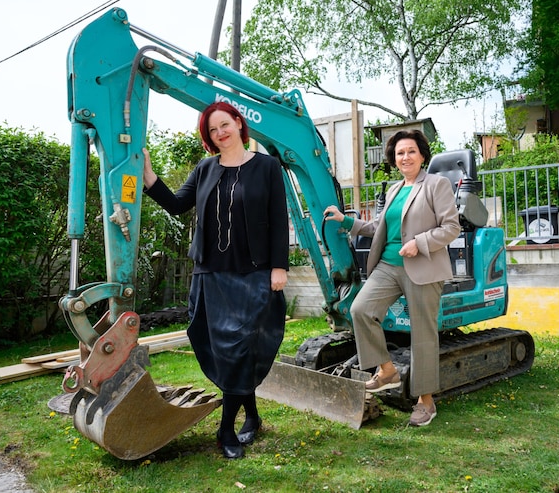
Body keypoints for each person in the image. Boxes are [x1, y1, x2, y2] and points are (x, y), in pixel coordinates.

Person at [142, 101, 289, 459]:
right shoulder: (205, 169)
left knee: (239, 347)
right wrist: (149, 177)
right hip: (210, 273)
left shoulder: (267, 167)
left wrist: (279, 267)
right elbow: (178, 205)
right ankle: (251, 414)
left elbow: (278, 217)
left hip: (253, 273)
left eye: (224, 124)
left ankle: (225, 430)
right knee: (220, 348)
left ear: (239, 124)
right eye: (212, 130)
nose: (220, 132)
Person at [323, 129, 460, 427]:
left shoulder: (436, 185)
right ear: (393, 159)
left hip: (422, 266)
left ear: (422, 155)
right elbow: (379, 227)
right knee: (360, 310)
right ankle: (387, 371)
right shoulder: (395, 189)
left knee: (422, 334)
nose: (405, 157)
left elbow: (451, 228)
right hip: (387, 264)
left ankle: (426, 401)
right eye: (400, 153)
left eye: (411, 151)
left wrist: (420, 243)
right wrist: (346, 220)